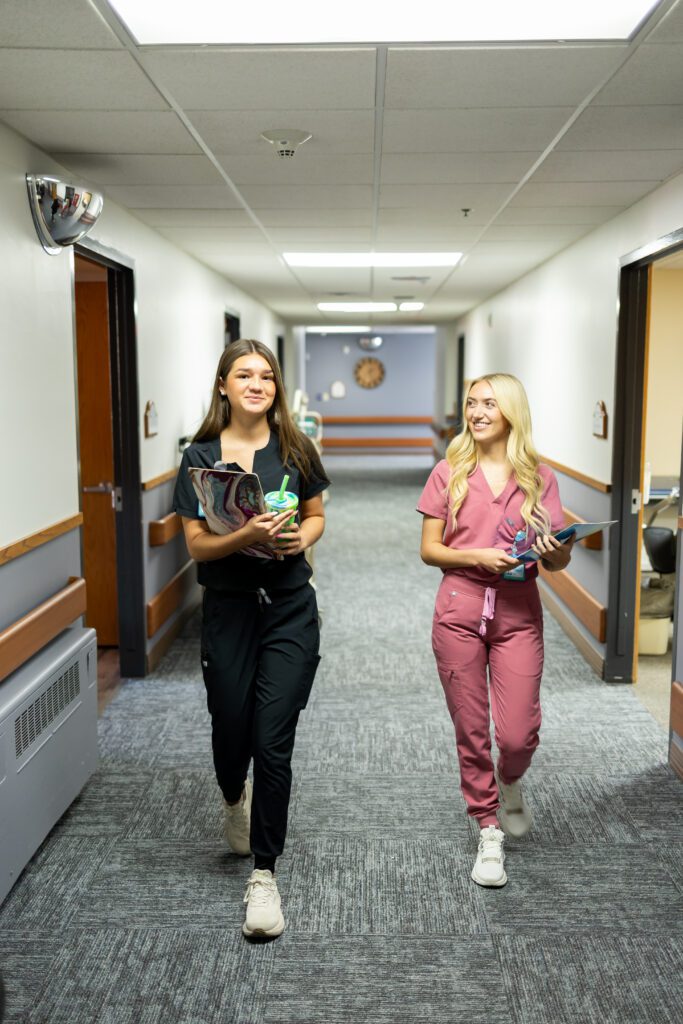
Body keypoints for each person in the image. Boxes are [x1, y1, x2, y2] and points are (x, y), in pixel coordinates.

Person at [173, 339, 329, 938]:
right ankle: (232, 797)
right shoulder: (200, 457)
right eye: (245, 375)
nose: (257, 384)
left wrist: (298, 539)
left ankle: (265, 875)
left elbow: (316, 514)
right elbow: (196, 546)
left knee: (272, 738)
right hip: (230, 613)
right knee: (231, 728)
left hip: (289, 608)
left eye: (267, 376)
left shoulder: (295, 448)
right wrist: (245, 537)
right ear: (223, 386)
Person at [417, 373, 573, 887]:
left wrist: (559, 552)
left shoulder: (539, 477)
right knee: (472, 728)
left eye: (489, 403)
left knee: (518, 733)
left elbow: (556, 559)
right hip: (460, 607)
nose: (477, 412)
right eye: (471, 403)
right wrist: (475, 555)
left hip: (518, 611)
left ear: (511, 412)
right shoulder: (449, 471)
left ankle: (510, 781)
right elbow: (429, 550)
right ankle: (487, 828)